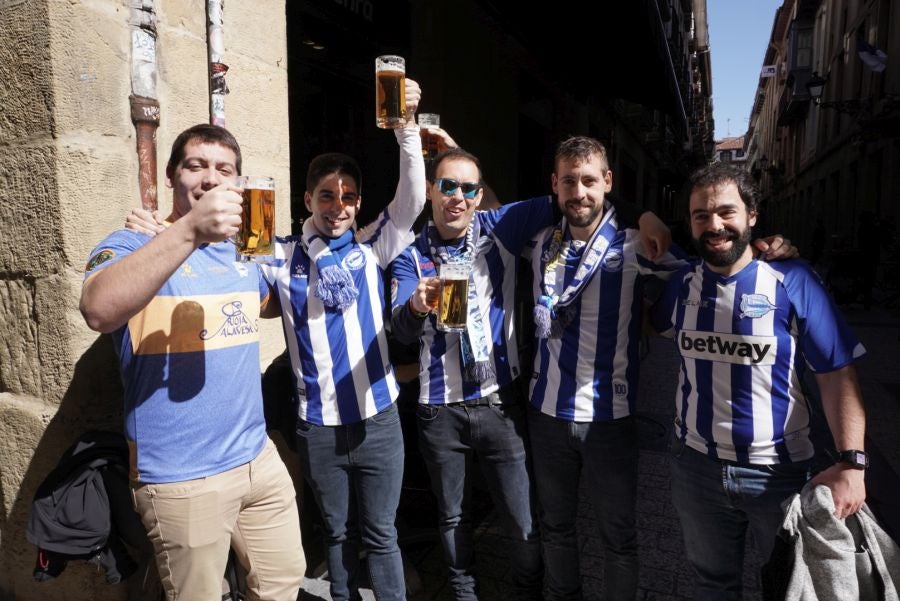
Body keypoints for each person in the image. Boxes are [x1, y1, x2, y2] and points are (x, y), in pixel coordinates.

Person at [390, 144, 671, 600]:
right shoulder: (411, 256)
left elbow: (581, 198)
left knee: (524, 521)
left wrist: (647, 216)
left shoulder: (499, 228)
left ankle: (527, 591)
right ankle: (465, 595)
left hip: (502, 401)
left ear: (480, 196)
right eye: (447, 186)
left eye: (467, 187)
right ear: (431, 192)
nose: (457, 196)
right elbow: (399, 329)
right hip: (439, 412)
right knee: (453, 518)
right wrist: (416, 304)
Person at [523, 137, 798, 601]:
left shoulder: (637, 245)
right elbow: (482, 215)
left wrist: (767, 249)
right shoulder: (536, 243)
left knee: (619, 538)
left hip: (610, 421)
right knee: (555, 526)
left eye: (590, 180)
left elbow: (712, 267)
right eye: (569, 181)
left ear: (607, 182)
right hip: (544, 414)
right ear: (555, 185)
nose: (579, 191)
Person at [80, 124, 305, 601]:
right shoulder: (134, 243)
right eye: (195, 166)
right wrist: (184, 231)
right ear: (170, 176)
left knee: (284, 585)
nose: (210, 178)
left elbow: (267, 302)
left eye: (224, 169)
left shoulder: (243, 251)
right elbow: (98, 309)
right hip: (183, 478)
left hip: (257, 460)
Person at [651, 161, 867, 601]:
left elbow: (836, 375)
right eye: (701, 215)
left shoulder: (794, 280)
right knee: (712, 584)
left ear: (753, 215)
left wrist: (852, 463)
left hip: (780, 475)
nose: (715, 225)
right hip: (695, 468)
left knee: (791, 587)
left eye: (727, 212)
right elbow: (653, 323)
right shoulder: (680, 285)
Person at [260, 80, 426, 601]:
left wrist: (407, 131)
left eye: (348, 196)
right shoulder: (281, 256)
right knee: (336, 535)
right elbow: (227, 254)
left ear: (359, 203)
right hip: (319, 429)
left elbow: (413, 199)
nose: (338, 206)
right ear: (307, 199)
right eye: (327, 196)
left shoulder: (372, 246)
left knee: (381, 536)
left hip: (378, 421)